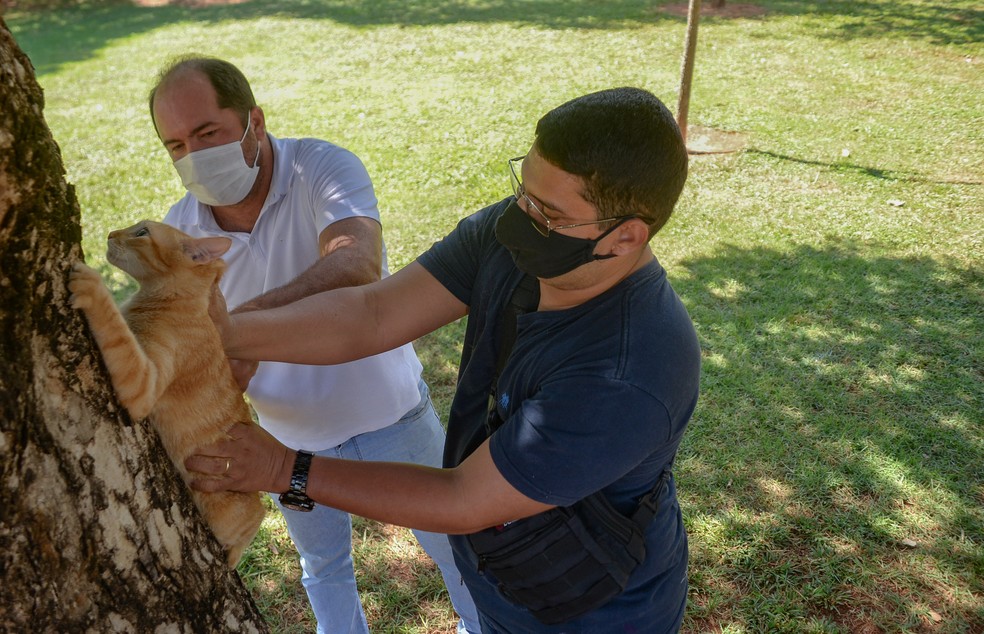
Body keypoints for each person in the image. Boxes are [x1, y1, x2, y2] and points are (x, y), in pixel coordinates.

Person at [189, 86, 700, 633]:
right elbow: (374, 314)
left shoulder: (629, 371)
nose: (520, 216)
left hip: (594, 614)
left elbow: (462, 497)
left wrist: (282, 469)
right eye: (524, 190)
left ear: (625, 236)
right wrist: (224, 335)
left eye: (548, 214)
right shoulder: (516, 237)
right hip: (507, 585)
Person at [147, 56, 480, 634]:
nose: (194, 156)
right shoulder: (182, 232)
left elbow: (356, 264)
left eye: (207, 133)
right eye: (176, 145)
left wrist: (242, 325)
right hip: (287, 438)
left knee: (457, 550)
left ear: (254, 122)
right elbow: (192, 351)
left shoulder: (320, 166)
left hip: (391, 416)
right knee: (323, 569)